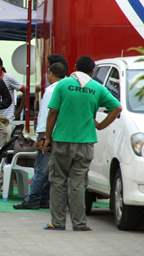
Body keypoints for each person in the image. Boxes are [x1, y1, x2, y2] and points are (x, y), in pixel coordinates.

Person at [43, 56, 122, 231]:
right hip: (85, 142)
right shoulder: (97, 88)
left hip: (62, 140)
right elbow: (117, 107)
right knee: (78, 183)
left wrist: (47, 137)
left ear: (75, 67)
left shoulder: (63, 85)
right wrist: (101, 125)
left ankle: (57, 222)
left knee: (58, 181)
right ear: (92, 71)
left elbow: (52, 113)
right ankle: (79, 223)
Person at [13, 62, 66, 210]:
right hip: (62, 133)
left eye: (48, 73)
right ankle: (45, 198)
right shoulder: (67, 87)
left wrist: (41, 135)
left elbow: (47, 114)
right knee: (53, 169)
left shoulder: (51, 91)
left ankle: (33, 198)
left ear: (51, 74)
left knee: (41, 168)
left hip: (47, 132)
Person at [0, 56, 25, 147]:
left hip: (6, 117)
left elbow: (25, 90)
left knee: (2, 147)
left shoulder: (8, 78)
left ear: (0, 66)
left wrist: (19, 110)